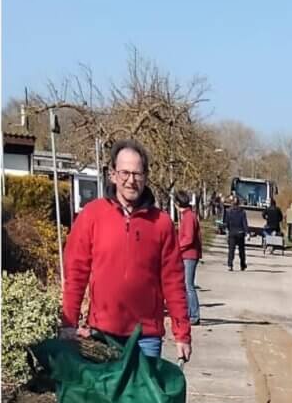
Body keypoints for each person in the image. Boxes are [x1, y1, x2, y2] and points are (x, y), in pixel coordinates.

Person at [60, 139, 191, 361]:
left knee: (142, 396)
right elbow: (76, 274)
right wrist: (68, 323)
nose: (131, 180)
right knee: (104, 397)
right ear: (112, 174)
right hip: (102, 333)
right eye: (124, 173)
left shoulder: (162, 223)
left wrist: (182, 334)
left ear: (146, 176)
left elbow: (174, 282)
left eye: (137, 174)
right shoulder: (92, 215)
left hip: (146, 337)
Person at [175, 190, 202, 325]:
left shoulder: (188, 217)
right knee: (185, 285)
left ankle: (194, 315)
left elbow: (189, 238)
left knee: (188, 285)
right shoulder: (186, 216)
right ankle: (189, 313)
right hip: (186, 254)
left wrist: (177, 247)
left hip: (189, 254)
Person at [223, 195, 248, 271]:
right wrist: (247, 232)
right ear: (239, 203)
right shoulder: (242, 212)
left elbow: (226, 223)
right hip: (240, 233)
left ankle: (230, 265)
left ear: (231, 203)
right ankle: (242, 265)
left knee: (231, 250)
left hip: (232, 233)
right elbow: (244, 223)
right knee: (241, 250)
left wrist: (226, 231)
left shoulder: (228, 211)